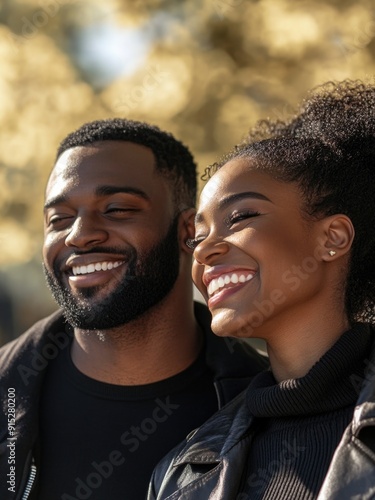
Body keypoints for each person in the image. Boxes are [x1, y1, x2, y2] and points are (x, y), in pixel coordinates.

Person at [0, 119, 268, 500]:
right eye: (58, 219)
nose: (78, 235)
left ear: (188, 231)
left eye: (117, 209)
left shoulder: (271, 409)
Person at [148, 80, 375, 499]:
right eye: (198, 237)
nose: (206, 251)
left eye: (240, 217)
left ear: (334, 237)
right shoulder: (180, 475)